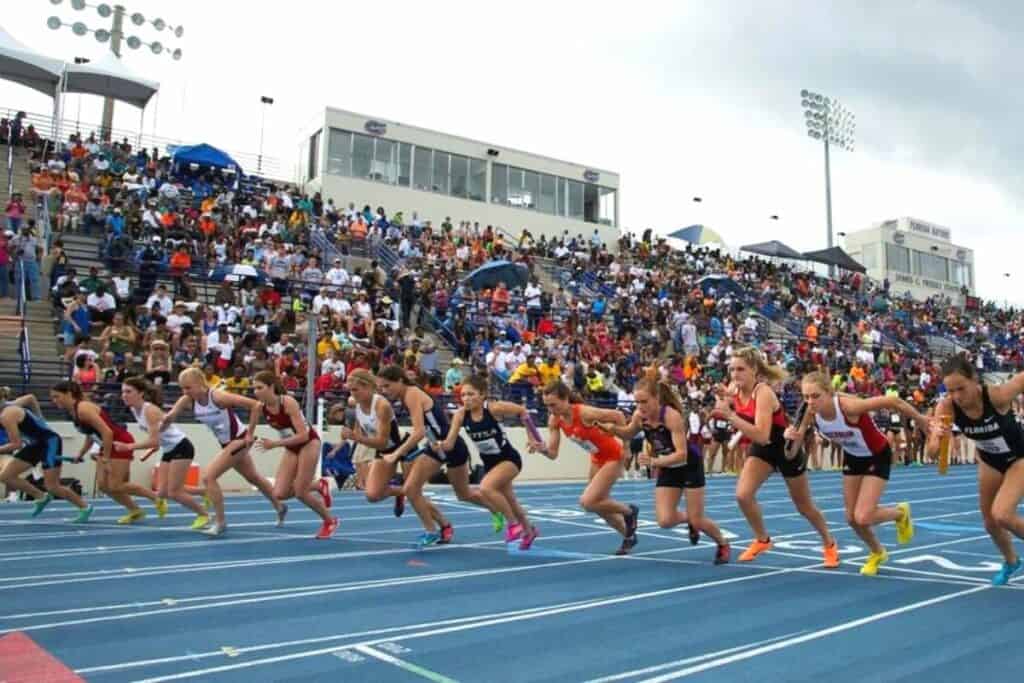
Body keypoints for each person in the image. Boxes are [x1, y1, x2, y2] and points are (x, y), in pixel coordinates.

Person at [786, 372, 927, 576]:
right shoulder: (810, 413)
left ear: (829, 393)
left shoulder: (848, 407)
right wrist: (790, 438)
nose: (810, 401)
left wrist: (921, 421)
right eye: (806, 396)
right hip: (853, 457)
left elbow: (894, 401)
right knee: (851, 518)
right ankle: (878, 552)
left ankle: (900, 513)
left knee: (863, 516)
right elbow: (790, 454)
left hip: (877, 454)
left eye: (815, 396)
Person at [711, 348, 838, 567]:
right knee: (743, 495)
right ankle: (762, 540)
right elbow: (755, 434)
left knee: (804, 507)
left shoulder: (763, 393)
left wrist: (730, 415)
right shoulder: (735, 388)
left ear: (754, 371)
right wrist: (725, 395)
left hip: (785, 447)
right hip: (764, 449)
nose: (735, 374)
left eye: (740, 369)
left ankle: (829, 544)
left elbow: (760, 434)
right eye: (731, 369)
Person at [599, 371, 731, 564]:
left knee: (698, 519)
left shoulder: (671, 416)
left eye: (644, 402)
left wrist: (654, 462)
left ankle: (722, 543)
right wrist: (612, 429)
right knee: (665, 520)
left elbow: (681, 454)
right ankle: (691, 522)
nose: (640, 407)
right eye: (637, 402)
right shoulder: (639, 416)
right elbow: (628, 433)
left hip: (688, 465)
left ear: (656, 399)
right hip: (668, 466)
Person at [927, 356, 1024, 585]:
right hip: (990, 461)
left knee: (1002, 514)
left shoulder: (996, 396)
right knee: (990, 523)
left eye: (961, 388)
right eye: (951, 391)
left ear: (975, 381)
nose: (957, 396)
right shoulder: (946, 407)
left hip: (1018, 458)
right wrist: (937, 440)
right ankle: (1011, 561)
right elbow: (934, 456)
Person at [161, 367, 286, 536]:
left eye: (188, 387)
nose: (185, 391)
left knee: (208, 477)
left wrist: (250, 434)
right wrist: (159, 431)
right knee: (253, 477)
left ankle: (220, 522)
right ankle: (280, 505)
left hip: (240, 440)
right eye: (182, 388)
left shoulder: (218, 397)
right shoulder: (187, 400)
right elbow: (171, 416)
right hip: (226, 443)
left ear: (200, 383)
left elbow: (256, 405)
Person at [377, 365, 488, 548]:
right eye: (381, 387)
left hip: (451, 446)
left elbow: (419, 431)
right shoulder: (406, 396)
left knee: (464, 494)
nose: (384, 391)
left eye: (387, 386)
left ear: (399, 381)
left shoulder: (411, 394)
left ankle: (499, 509)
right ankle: (435, 529)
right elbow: (427, 429)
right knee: (411, 489)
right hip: (435, 448)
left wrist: (396, 453)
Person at [531, 379, 639, 555]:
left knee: (588, 501)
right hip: (597, 458)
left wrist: (626, 447)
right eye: (547, 406)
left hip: (613, 456)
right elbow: (553, 454)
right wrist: (542, 449)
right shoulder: (555, 420)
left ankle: (629, 511)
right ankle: (628, 535)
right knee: (597, 505)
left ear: (565, 398)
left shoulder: (584, 413)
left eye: (554, 405)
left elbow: (618, 416)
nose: (551, 410)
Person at [435, 375, 539, 549]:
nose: (466, 399)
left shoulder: (493, 408)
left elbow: (522, 411)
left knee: (486, 488)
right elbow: (449, 443)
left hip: (508, 459)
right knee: (511, 501)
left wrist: (532, 436)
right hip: (490, 463)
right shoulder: (460, 415)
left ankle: (514, 525)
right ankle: (530, 531)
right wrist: (440, 445)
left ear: (482, 395)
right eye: (463, 395)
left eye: (471, 394)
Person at [50, 380, 161, 524]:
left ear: (69, 394)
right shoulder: (73, 411)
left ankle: (157, 499)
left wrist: (106, 459)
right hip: (107, 444)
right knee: (103, 486)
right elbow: (91, 434)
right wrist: (81, 453)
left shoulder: (83, 408)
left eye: (57, 396)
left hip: (119, 441)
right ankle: (135, 510)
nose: (54, 401)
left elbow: (107, 432)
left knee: (116, 485)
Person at [252, 370, 338, 540]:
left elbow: (303, 435)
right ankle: (318, 486)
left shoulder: (288, 403)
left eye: (259, 388)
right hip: (292, 447)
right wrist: (246, 439)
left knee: (300, 492)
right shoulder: (259, 407)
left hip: (308, 443)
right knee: (279, 494)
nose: (256, 392)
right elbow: (250, 430)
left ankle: (330, 520)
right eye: (254, 388)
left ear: (271, 387)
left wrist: (274, 444)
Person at [119, 377, 209, 530]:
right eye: (123, 392)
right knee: (162, 492)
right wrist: (150, 448)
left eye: (128, 391)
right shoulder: (135, 409)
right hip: (168, 449)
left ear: (140, 393)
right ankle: (205, 492)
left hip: (181, 447)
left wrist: (129, 447)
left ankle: (203, 514)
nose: (124, 395)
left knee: (174, 492)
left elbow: (154, 441)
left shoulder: (150, 410)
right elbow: (157, 437)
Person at [0, 391, 93, 522]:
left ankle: (85, 507)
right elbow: (31, 398)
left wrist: (40, 420)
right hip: (36, 444)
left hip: (50, 442)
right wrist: (40, 418)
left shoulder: (6, 415)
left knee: (52, 486)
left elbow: (16, 444)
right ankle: (40, 496)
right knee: (6, 476)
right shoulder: (10, 405)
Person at [332, 369, 408, 518]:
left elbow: (382, 441)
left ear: (368, 387)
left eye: (356, 390)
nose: (352, 394)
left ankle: (441, 526)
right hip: (384, 451)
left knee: (416, 493)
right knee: (371, 495)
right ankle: (399, 492)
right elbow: (358, 432)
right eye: (350, 390)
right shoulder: (357, 405)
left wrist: (356, 438)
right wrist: (346, 436)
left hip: (402, 447)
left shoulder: (381, 406)